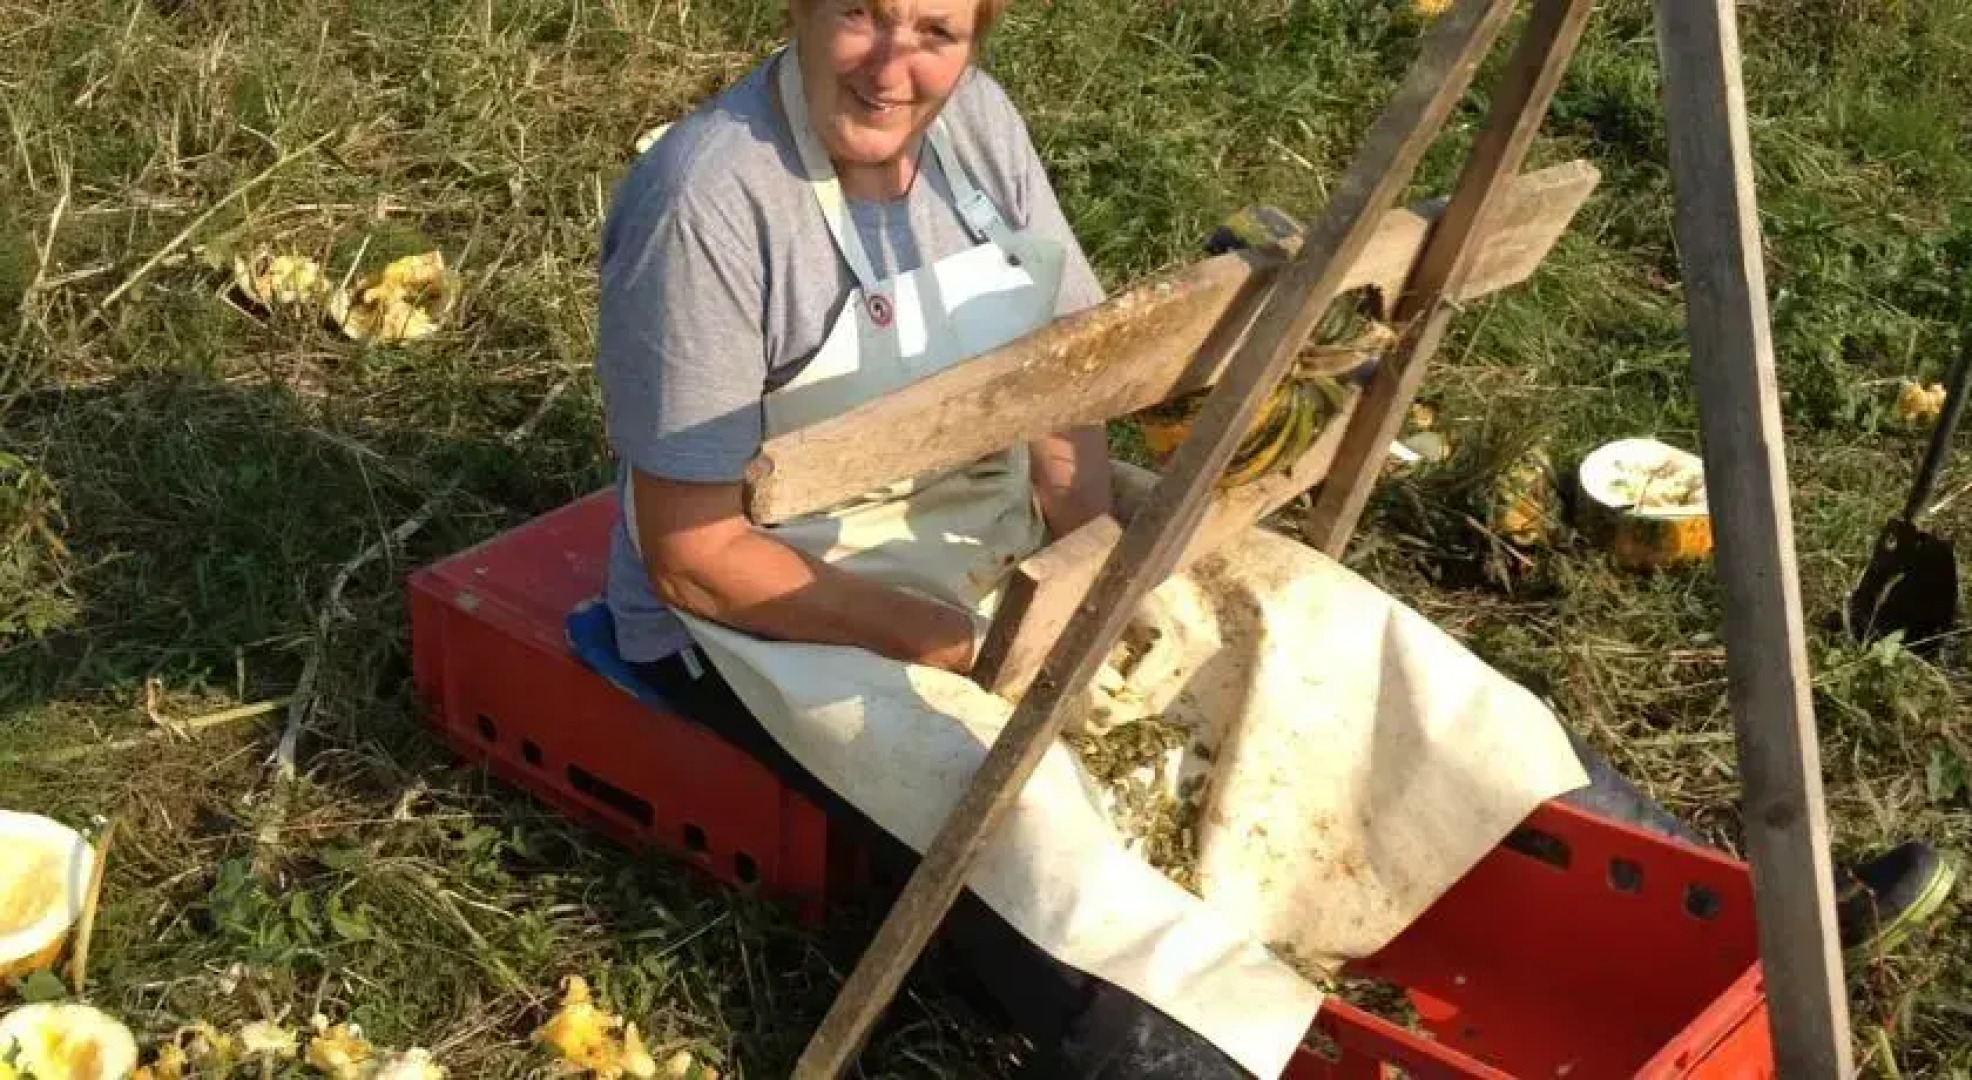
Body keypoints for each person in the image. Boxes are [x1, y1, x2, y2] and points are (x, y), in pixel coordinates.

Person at [591, 3, 1954, 1075]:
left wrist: (1091, 566)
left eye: (937, 31)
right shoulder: (712, 202)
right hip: (794, 603)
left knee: (1330, 629)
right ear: (800, 9)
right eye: (859, 18)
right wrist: (957, 639)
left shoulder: (978, 129)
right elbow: (695, 553)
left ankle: (1733, 906)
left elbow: (1070, 373)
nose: (894, 65)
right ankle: (1175, 1051)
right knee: (1033, 820)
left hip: (993, 528)